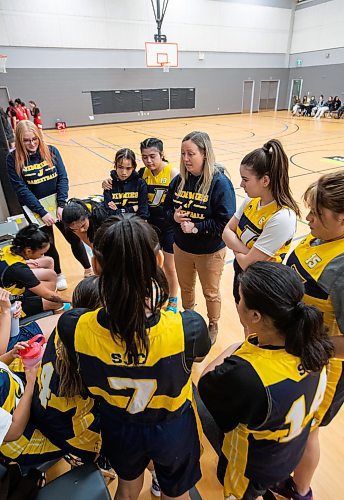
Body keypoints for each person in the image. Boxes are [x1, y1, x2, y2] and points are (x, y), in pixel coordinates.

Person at [57, 215, 211, 500]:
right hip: (171, 427)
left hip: (119, 424)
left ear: (96, 265)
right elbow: (198, 356)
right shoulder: (188, 327)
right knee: (175, 494)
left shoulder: (73, 326)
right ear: (159, 262)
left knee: (127, 489)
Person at [198, 262, 332, 500]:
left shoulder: (247, 374)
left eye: (239, 299)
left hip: (251, 466)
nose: (237, 303)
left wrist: (237, 347)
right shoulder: (316, 347)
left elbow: (206, 381)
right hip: (290, 451)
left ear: (256, 316)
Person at [280, 172, 344, 500]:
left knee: (308, 431)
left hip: (324, 368)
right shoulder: (318, 238)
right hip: (296, 353)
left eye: (317, 214)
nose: (308, 219)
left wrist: (305, 342)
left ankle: (301, 490)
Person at [164, 131, 236, 344]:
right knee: (186, 288)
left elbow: (226, 222)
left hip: (210, 251)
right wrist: (174, 216)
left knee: (211, 293)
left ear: (205, 154)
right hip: (182, 248)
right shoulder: (178, 181)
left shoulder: (219, 183)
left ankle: (213, 324)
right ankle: (190, 319)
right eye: (183, 154)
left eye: (191, 154)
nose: (186, 159)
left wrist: (197, 227)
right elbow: (166, 209)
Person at [7, 120, 93, 290]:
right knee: (48, 243)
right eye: (26, 140)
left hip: (58, 205)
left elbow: (63, 178)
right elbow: (21, 189)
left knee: (74, 238)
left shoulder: (52, 151)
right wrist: (42, 212)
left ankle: (88, 269)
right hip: (36, 209)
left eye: (35, 139)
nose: (32, 144)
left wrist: (61, 204)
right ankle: (59, 273)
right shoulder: (13, 159)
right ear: (19, 140)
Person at [31, 276, 102, 462]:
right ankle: (96, 459)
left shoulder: (63, 327)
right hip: (68, 433)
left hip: (41, 409)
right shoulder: (90, 355)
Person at [222, 138, 299, 305]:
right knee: (245, 324)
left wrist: (239, 250)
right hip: (242, 276)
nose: (241, 184)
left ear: (265, 180)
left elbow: (248, 263)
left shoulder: (282, 217)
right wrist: (245, 252)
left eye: (245, 179)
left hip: (263, 286)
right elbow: (226, 232)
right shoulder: (250, 201)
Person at [139, 137, 180, 313]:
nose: (148, 161)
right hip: (151, 225)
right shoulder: (142, 173)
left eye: (152, 156)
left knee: (170, 266)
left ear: (162, 155)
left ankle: (173, 299)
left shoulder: (173, 173)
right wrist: (107, 181)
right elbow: (120, 178)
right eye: (144, 157)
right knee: (155, 264)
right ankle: (159, 293)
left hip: (169, 226)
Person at [0, 224, 65, 317]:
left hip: (10, 291)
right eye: (41, 253)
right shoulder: (19, 270)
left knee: (48, 265)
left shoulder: (8, 249)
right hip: (9, 305)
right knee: (57, 303)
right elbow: (48, 295)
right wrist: (73, 299)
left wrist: (26, 262)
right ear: (28, 251)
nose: (42, 256)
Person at [103, 148, 149, 219]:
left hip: (136, 225)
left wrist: (118, 211)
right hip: (115, 225)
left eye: (128, 168)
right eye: (120, 167)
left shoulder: (140, 184)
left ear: (133, 167)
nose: (124, 172)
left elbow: (144, 213)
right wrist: (132, 209)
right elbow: (109, 213)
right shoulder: (109, 185)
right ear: (115, 165)